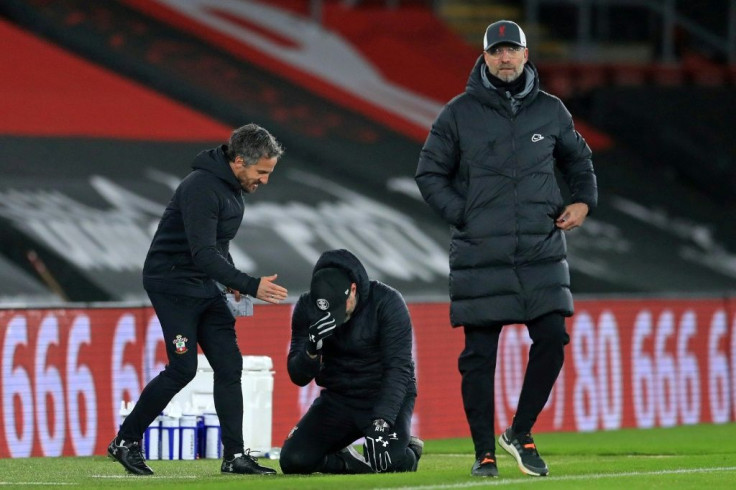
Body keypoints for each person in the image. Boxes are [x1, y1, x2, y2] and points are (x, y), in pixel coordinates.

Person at [415, 20, 598, 478]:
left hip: (540, 249)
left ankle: (520, 430)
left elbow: (579, 161)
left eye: (510, 50)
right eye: (495, 51)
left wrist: (582, 201)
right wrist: (465, 214)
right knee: (479, 356)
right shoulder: (458, 113)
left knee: (553, 338)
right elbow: (429, 174)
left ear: (525, 53)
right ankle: (484, 453)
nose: (504, 58)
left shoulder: (552, 111)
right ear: (484, 57)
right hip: (480, 250)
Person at [108, 123, 288, 476]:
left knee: (229, 365)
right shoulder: (202, 188)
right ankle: (125, 441)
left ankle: (235, 456)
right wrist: (249, 284)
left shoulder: (231, 187)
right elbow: (204, 252)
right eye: (261, 172)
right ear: (239, 161)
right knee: (183, 369)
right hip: (172, 285)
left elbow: (218, 246)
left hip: (203, 284)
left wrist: (231, 279)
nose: (264, 181)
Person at [279, 249, 422, 475]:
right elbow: (298, 377)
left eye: (339, 307)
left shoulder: (387, 302)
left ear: (353, 289)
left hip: (382, 395)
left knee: (387, 462)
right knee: (293, 461)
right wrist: (312, 350)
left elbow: (399, 370)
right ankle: (345, 461)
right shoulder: (308, 307)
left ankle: (410, 451)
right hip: (339, 399)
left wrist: (381, 422)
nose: (336, 318)